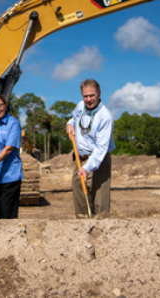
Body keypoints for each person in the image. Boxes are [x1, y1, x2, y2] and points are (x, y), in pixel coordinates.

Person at [66, 79, 115, 218]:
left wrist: (87, 168)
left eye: (92, 95)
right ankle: (82, 227)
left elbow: (101, 148)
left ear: (99, 94)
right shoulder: (80, 106)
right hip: (79, 158)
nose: (88, 99)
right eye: (85, 96)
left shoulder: (105, 117)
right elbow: (73, 119)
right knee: (79, 192)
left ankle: (101, 231)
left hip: (98, 159)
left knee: (100, 200)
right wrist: (69, 125)